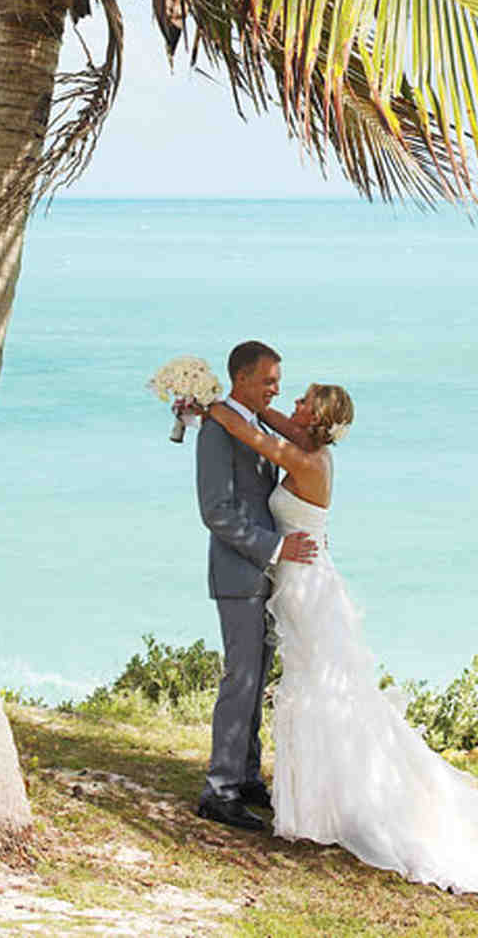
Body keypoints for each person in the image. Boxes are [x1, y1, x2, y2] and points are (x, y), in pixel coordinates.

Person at [203, 384, 478, 901]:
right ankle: (312, 798)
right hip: (301, 582)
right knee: (317, 691)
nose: (295, 404)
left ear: (318, 419)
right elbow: (263, 414)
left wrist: (205, 402)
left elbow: (245, 428)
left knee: (321, 691)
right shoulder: (306, 443)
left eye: (304, 401)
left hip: (307, 589)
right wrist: (231, 399)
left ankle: (328, 805)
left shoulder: (306, 459)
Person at [191, 340, 319, 832]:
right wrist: (274, 548)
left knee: (257, 678)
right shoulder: (217, 433)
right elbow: (216, 511)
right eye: (268, 380)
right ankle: (218, 789)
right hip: (239, 574)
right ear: (241, 378)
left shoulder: (255, 424)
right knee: (240, 681)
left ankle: (245, 775)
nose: (276, 388)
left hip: (266, 576)